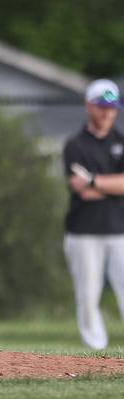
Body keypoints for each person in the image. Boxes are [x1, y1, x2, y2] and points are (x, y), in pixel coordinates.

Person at [63, 79, 124, 350]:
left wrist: (94, 181)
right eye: (102, 107)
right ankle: (95, 349)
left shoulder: (121, 141)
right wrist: (113, 185)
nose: (107, 113)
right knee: (88, 295)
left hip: (120, 229)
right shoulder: (75, 145)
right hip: (84, 231)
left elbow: (89, 185)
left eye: (112, 108)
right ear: (89, 106)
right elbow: (80, 190)